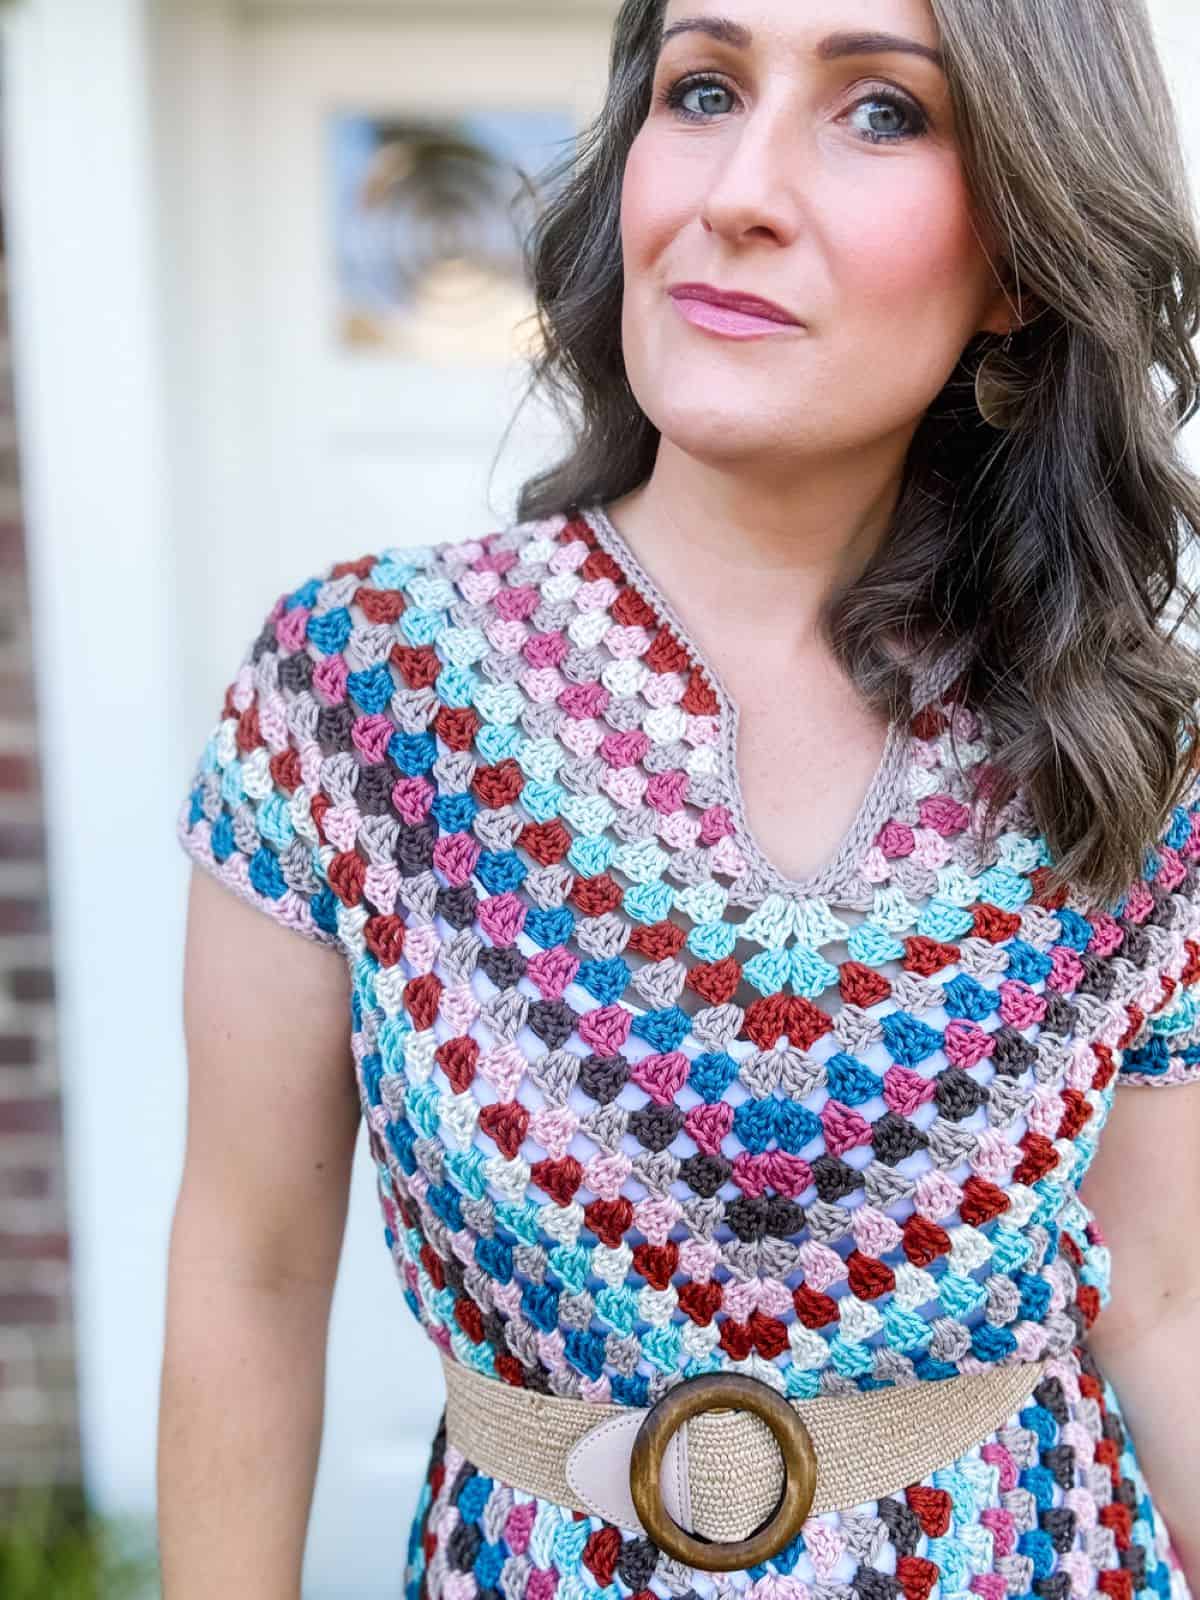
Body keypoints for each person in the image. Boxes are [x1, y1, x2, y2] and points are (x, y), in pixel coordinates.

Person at [157, 0, 1200, 1594]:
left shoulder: (1123, 741)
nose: (740, 191)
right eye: (701, 89)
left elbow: (1172, 1303)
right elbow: (251, 1269)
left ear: (1018, 255)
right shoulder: (363, 692)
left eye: (881, 113)